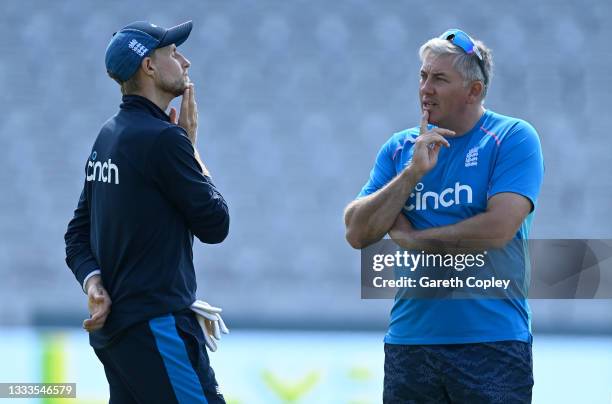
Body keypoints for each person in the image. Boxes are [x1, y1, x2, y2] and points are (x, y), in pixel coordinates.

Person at [344, 29, 544, 403]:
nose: (425, 88)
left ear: (474, 91)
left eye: (439, 79)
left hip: (492, 344)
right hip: (409, 343)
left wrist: (413, 240)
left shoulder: (513, 137)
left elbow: (497, 228)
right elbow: (357, 232)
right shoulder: (401, 148)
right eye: (422, 76)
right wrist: (411, 175)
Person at [64, 20, 229, 403]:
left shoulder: (109, 135)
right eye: (173, 53)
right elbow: (216, 224)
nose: (185, 61)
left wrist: (94, 283)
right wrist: (192, 148)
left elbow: (77, 235)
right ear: (149, 67)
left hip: (118, 337)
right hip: (158, 328)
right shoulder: (165, 140)